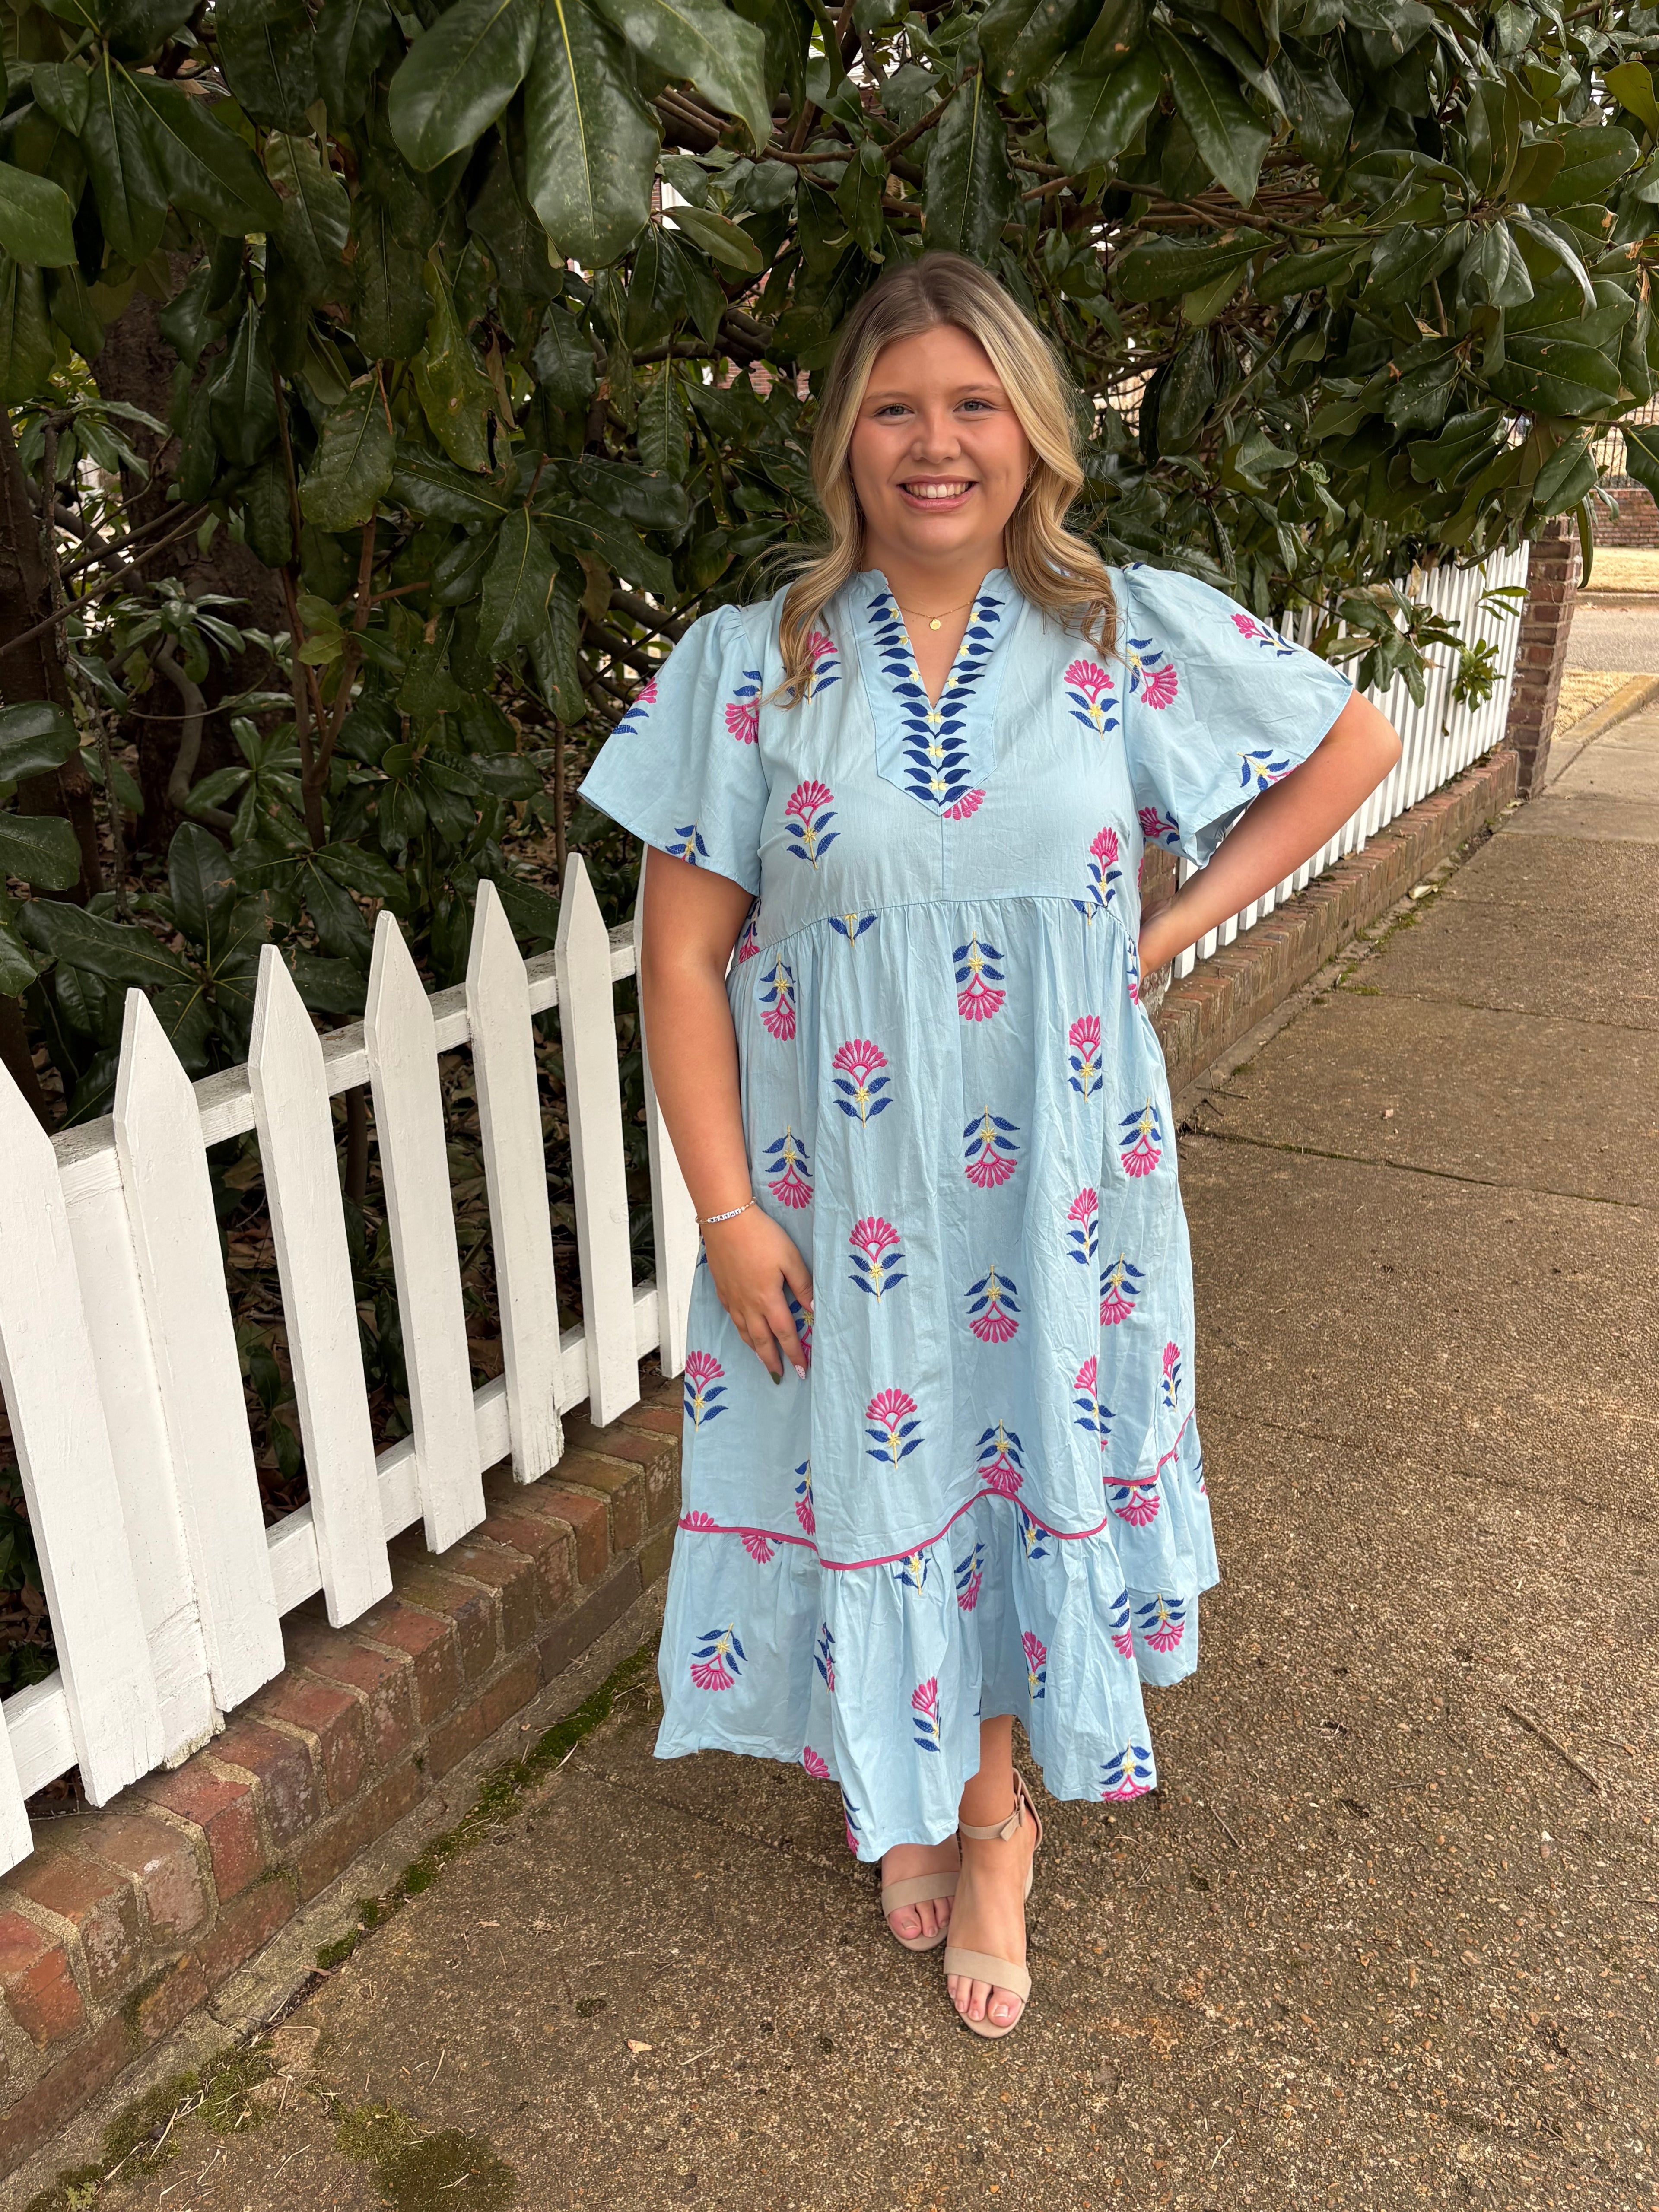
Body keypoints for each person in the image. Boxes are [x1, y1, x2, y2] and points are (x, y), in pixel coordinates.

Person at [575, 251, 1402, 2039]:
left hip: (1066, 1192)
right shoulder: (750, 665)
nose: (934, 444)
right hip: (843, 1196)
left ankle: (994, 1816)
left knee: (1026, 1477)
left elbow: (1354, 740)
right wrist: (726, 1207)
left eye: (974, 405)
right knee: (888, 1485)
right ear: (844, 437)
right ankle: (921, 1776)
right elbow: (686, 959)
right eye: (895, 405)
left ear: (1031, 431)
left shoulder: (1125, 633)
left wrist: (1168, 939)